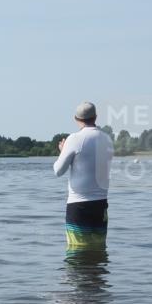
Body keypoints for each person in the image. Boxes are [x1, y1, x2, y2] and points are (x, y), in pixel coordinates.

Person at [53, 102, 114, 250]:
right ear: (96, 117)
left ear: (76, 118)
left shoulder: (74, 139)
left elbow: (58, 170)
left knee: (76, 253)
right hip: (100, 205)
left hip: (79, 206)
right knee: (98, 251)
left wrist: (63, 150)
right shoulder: (107, 139)